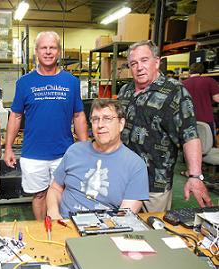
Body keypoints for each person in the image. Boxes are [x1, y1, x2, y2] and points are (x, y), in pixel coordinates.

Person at [118, 40, 213, 212]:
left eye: (144, 60)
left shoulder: (175, 92)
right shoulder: (125, 90)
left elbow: (189, 135)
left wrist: (195, 175)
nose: (139, 67)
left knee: (152, 232)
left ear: (157, 61)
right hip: (123, 177)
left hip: (154, 182)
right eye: (134, 63)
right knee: (120, 228)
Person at [4, 31, 88, 220]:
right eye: (44, 47)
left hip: (64, 153)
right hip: (33, 154)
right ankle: (43, 232)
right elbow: (16, 116)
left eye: (52, 47)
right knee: (39, 195)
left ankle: (60, 231)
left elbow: (78, 115)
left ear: (58, 51)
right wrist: (8, 147)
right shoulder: (24, 83)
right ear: (36, 51)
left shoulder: (71, 82)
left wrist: (85, 147)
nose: (48, 52)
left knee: (62, 194)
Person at [46, 99, 149, 219]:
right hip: (64, 223)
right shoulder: (74, 151)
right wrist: (53, 213)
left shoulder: (135, 166)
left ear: (121, 124)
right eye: (95, 119)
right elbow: (55, 188)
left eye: (107, 118)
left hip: (104, 231)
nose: (100, 125)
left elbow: (124, 217)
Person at [182, 62, 219, 146]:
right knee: (209, 146)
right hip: (206, 119)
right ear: (202, 71)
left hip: (188, 119)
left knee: (190, 145)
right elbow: (217, 99)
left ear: (190, 71)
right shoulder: (210, 81)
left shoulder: (182, 84)